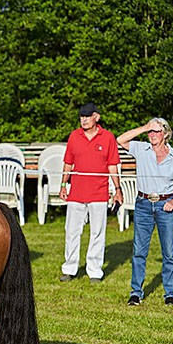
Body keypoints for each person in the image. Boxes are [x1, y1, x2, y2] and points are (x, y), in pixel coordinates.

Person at [116, 118, 173, 306]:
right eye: (150, 131)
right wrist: (144, 127)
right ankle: (136, 293)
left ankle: (170, 293)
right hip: (143, 204)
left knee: (169, 253)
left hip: (166, 206)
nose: (152, 135)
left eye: (156, 131)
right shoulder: (141, 149)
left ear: (165, 134)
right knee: (139, 251)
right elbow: (120, 140)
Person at [59, 102, 122, 284]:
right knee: (71, 231)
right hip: (76, 193)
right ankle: (69, 268)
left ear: (97, 117)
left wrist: (117, 189)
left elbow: (112, 165)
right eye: (81, 116)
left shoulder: (108, 138)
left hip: (99, 193)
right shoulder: (74, 136)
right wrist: (63, 184)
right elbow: (68, 163)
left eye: (87, 116)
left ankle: (94, 271)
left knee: (97, 232)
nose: (84, 119)